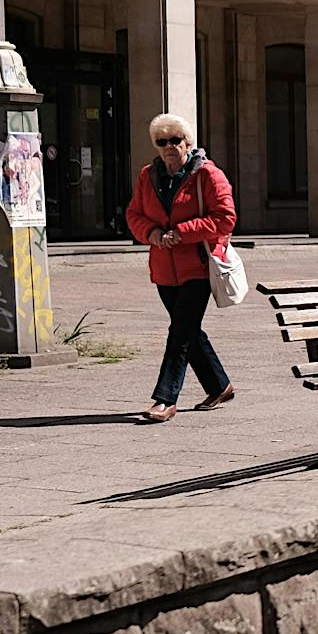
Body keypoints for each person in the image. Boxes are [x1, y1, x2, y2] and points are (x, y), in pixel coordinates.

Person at [124, 113, 236, 422]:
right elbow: (134, 214)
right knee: (188, 330)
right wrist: (153, 234)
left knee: (180, 333)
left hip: (197, 268)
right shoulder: (148, 175)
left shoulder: (207, 175)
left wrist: (183, 232)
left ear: (188, 142)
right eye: (162, 141)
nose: (169, 146)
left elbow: (225, 217)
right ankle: (219, 385)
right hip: (163, 268)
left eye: (175, 140)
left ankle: (165, 399)